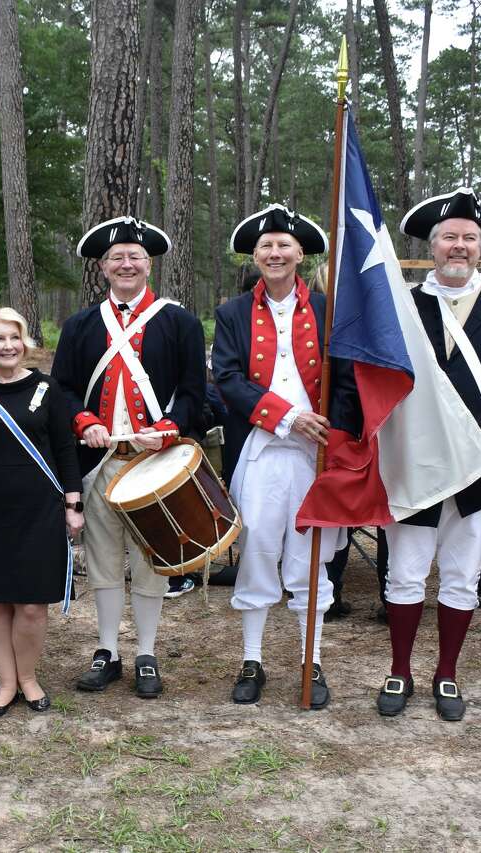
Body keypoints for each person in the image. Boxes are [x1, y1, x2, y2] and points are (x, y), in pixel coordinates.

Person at [375, 187, 481, 722]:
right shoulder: (402, 305)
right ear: (432, 245)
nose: (459, 246)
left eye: (469, 238)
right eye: (450, 237)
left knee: (463, 576)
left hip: (477, 468)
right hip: (413, 463)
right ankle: (400, 669)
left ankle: (446, 674)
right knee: (403, 573)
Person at [51, 216, 206, 699]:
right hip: (98, 461)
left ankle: (146, 652)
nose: (125, 264)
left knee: (148, 561)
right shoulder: (79, 326)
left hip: (153, 462)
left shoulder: (179, 321)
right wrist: (84, 422)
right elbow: (62, 390)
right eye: (116, 257)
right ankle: (106, 650)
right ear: (102, 267)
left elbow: (193, 392)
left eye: (134, 256)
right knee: (101, 559)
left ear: (149, 263)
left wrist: (168, 427)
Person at [212, 204, 352, 708]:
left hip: (317, 453)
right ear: (255, 254)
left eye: (284, 245)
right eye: (266, 245)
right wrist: (290, 417)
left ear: (300, 254)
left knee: (310, 560)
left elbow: (348, 379)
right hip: (262, 447)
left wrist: (335, 434)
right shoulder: (232, 314)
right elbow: (227, 380)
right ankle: (252, 658)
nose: (275, 253)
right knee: (258, 551)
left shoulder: (330, 309)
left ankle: (310, 660)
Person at [0, 308, 84, 718]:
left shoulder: (47, 388)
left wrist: (74, 505)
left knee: (30, 606)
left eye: (15, 338)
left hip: (38, 511)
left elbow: (65, 450)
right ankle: (6, 683)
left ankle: (28, 677)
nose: (8, 346)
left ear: (25, 342)